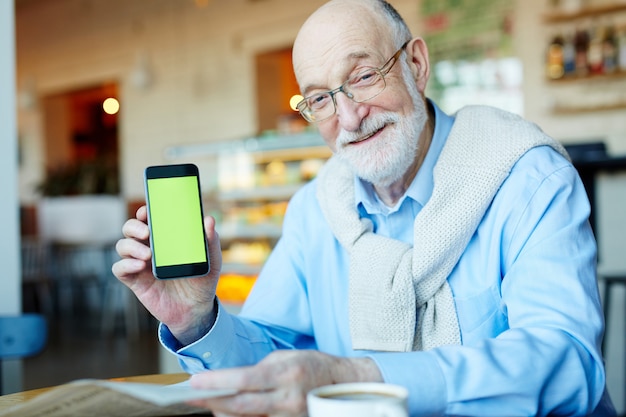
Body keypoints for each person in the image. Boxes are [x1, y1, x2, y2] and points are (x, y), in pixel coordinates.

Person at [113, 0, 616, 415]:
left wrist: (362, 379)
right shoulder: (315, 210)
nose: (349, 116)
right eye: (321, 99)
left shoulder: (526, 178)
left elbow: (569, 364)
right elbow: (269, 358)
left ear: (416, 65)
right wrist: (197, 320)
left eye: (365, 75)